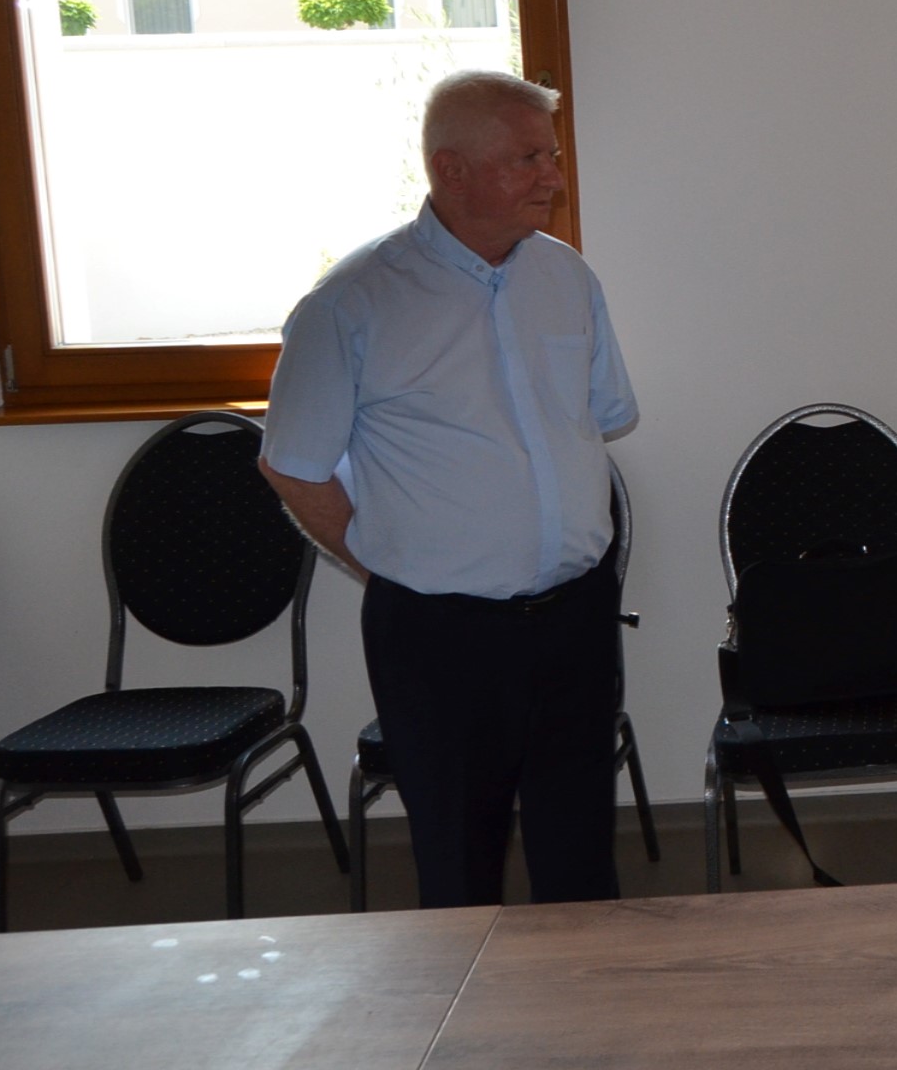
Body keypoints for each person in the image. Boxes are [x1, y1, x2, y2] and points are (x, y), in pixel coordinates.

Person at [259, 70, 639, 909]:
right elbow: (290, 464)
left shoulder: (566, 277)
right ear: (450, 170)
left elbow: (604, 414)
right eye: (529, 158)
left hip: (575, 617)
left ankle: (591, 995)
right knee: (462, 865)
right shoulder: (352, 302)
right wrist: (387, 565)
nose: (553, 177)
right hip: (440, 635)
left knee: (580, 857)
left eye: (551, 155)